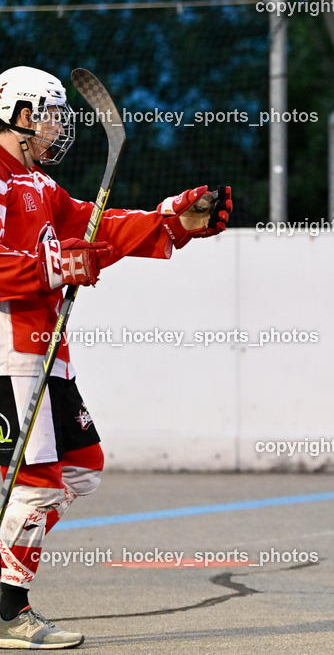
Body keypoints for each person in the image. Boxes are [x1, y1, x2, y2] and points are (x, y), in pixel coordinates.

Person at [0, 66, 231, 649]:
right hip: (11, 353)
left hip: (50, 352)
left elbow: (95, 227)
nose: (57, 127)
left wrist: (171, 221)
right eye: (50, 115)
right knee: (34, 482)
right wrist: (56, 268)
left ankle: (6, 549)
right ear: (20, 115)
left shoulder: (39, 185)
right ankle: (8, 612)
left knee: (83, 467)